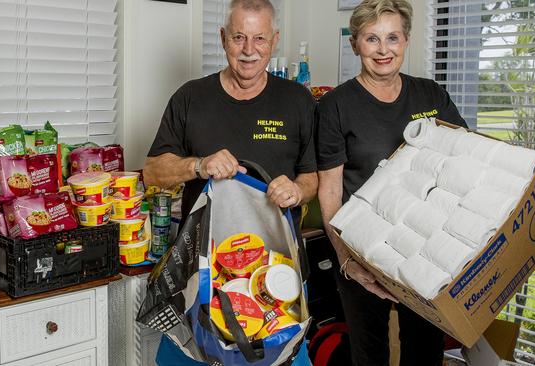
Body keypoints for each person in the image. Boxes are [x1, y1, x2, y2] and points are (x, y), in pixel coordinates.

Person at [144, 0, 316, 364]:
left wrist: (298, 189)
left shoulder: (298, 101)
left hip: (276, 274)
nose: (249, 50)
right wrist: (198, 164)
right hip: (202, 271)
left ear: (275, 40)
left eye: (259, 38)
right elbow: (153, 171)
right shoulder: (190, 98)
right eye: (239, 37)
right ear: (223, 39)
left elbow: (313, 177)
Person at [316, 0, 468, 365]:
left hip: (424, 250)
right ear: (355, 44)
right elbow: (331, 190)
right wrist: (347, 261)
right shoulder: (336, 106)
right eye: (372, 39)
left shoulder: (430, 95)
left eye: (393, 38)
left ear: (407, 41)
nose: (384, 50)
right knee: (369, 355)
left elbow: (467, 155)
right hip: (363, 250)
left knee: (425, 351)